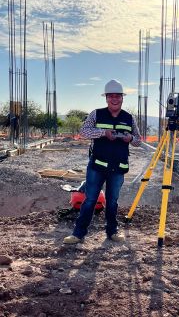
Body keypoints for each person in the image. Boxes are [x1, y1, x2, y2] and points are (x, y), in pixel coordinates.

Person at [63, 79, 142, 244]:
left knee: (112, 202)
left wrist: (130, 138)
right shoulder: (96, 114)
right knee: (90, 199)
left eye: (117, 96)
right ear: (106, 98)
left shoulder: (129, 118)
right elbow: (84, 131)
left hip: (118, 167)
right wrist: (102, 133)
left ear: (122, 98)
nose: (114, 99)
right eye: (111, 96)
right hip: (97, 166)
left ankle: (112, 232)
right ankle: (78, 234)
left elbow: (138, 140)